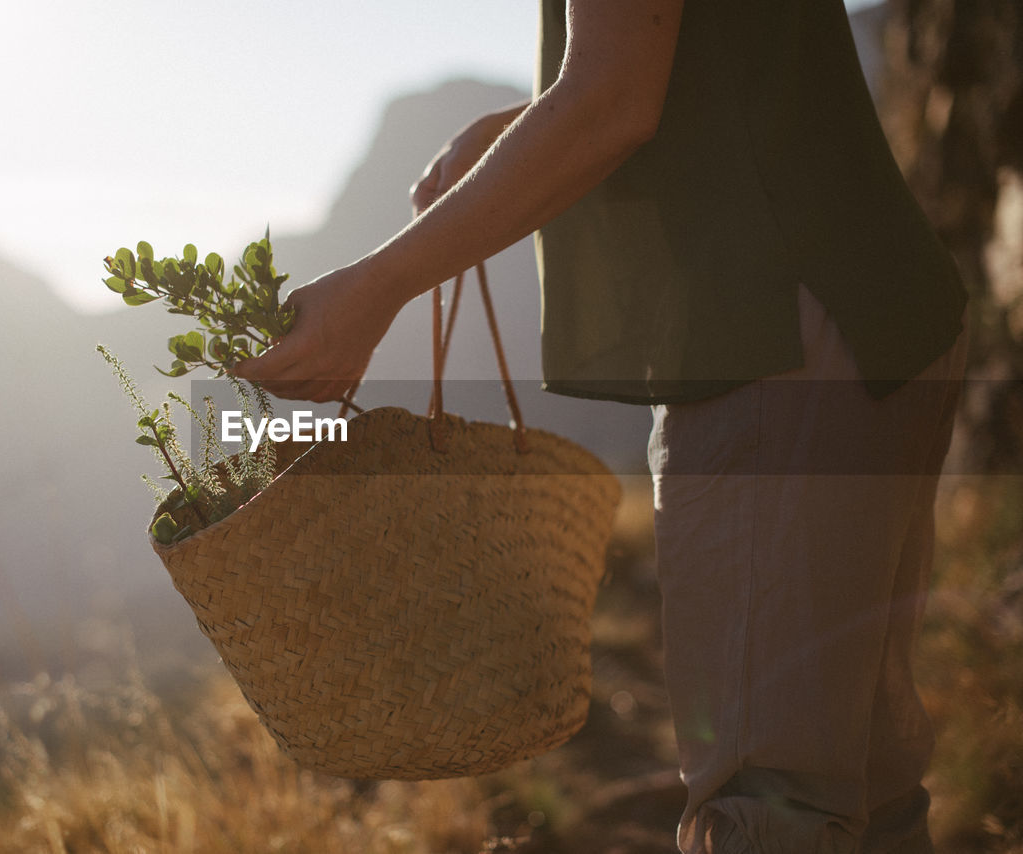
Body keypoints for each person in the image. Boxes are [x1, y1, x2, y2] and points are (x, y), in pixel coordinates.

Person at [234, 1, 968, 851]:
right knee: (866, 790)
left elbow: (615, 99)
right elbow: (702, 54)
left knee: (771, 806)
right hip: (878, 311)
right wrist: (521, 124)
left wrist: (375, 290)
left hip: (771, 338)